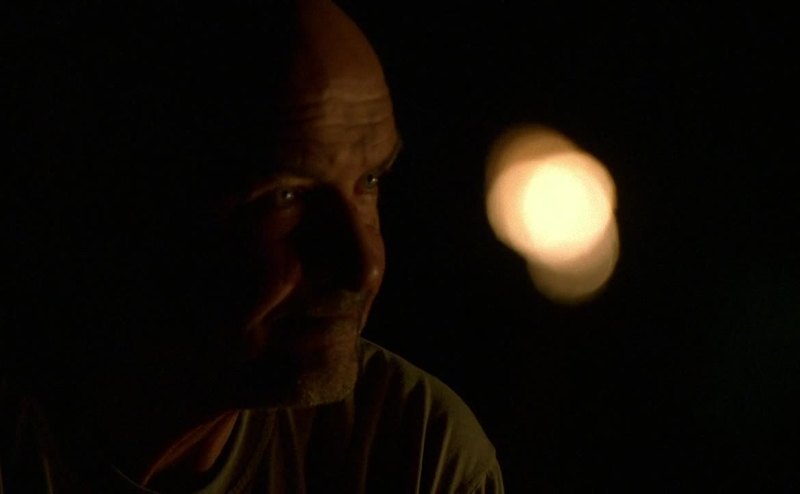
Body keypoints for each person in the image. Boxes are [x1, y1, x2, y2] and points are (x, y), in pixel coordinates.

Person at [1, 0, 504, 492]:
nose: (364, 266)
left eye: (368, 181)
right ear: (134, 198)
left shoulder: (413, 449)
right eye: (285, 197)